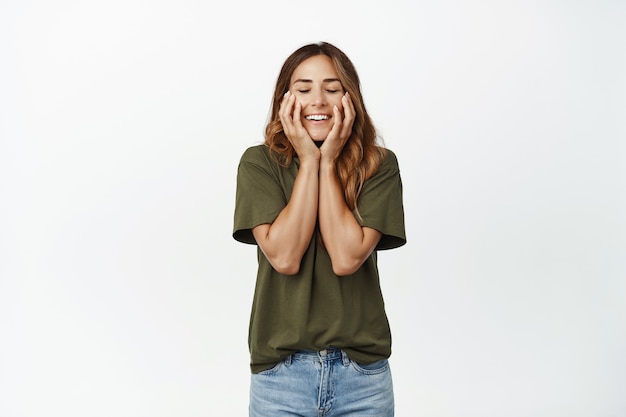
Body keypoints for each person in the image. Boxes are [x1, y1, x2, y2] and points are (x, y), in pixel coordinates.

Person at [233, 41, 406, 417]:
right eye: (303, 88)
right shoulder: (259, 163)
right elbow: (284, 257)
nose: (318, 101)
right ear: (285, 99)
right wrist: (309, 161)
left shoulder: (379, 165)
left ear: (350, 98)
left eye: (332, 88)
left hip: (362, 377)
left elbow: (346, 258)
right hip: (281, 377)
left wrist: (327, 162)